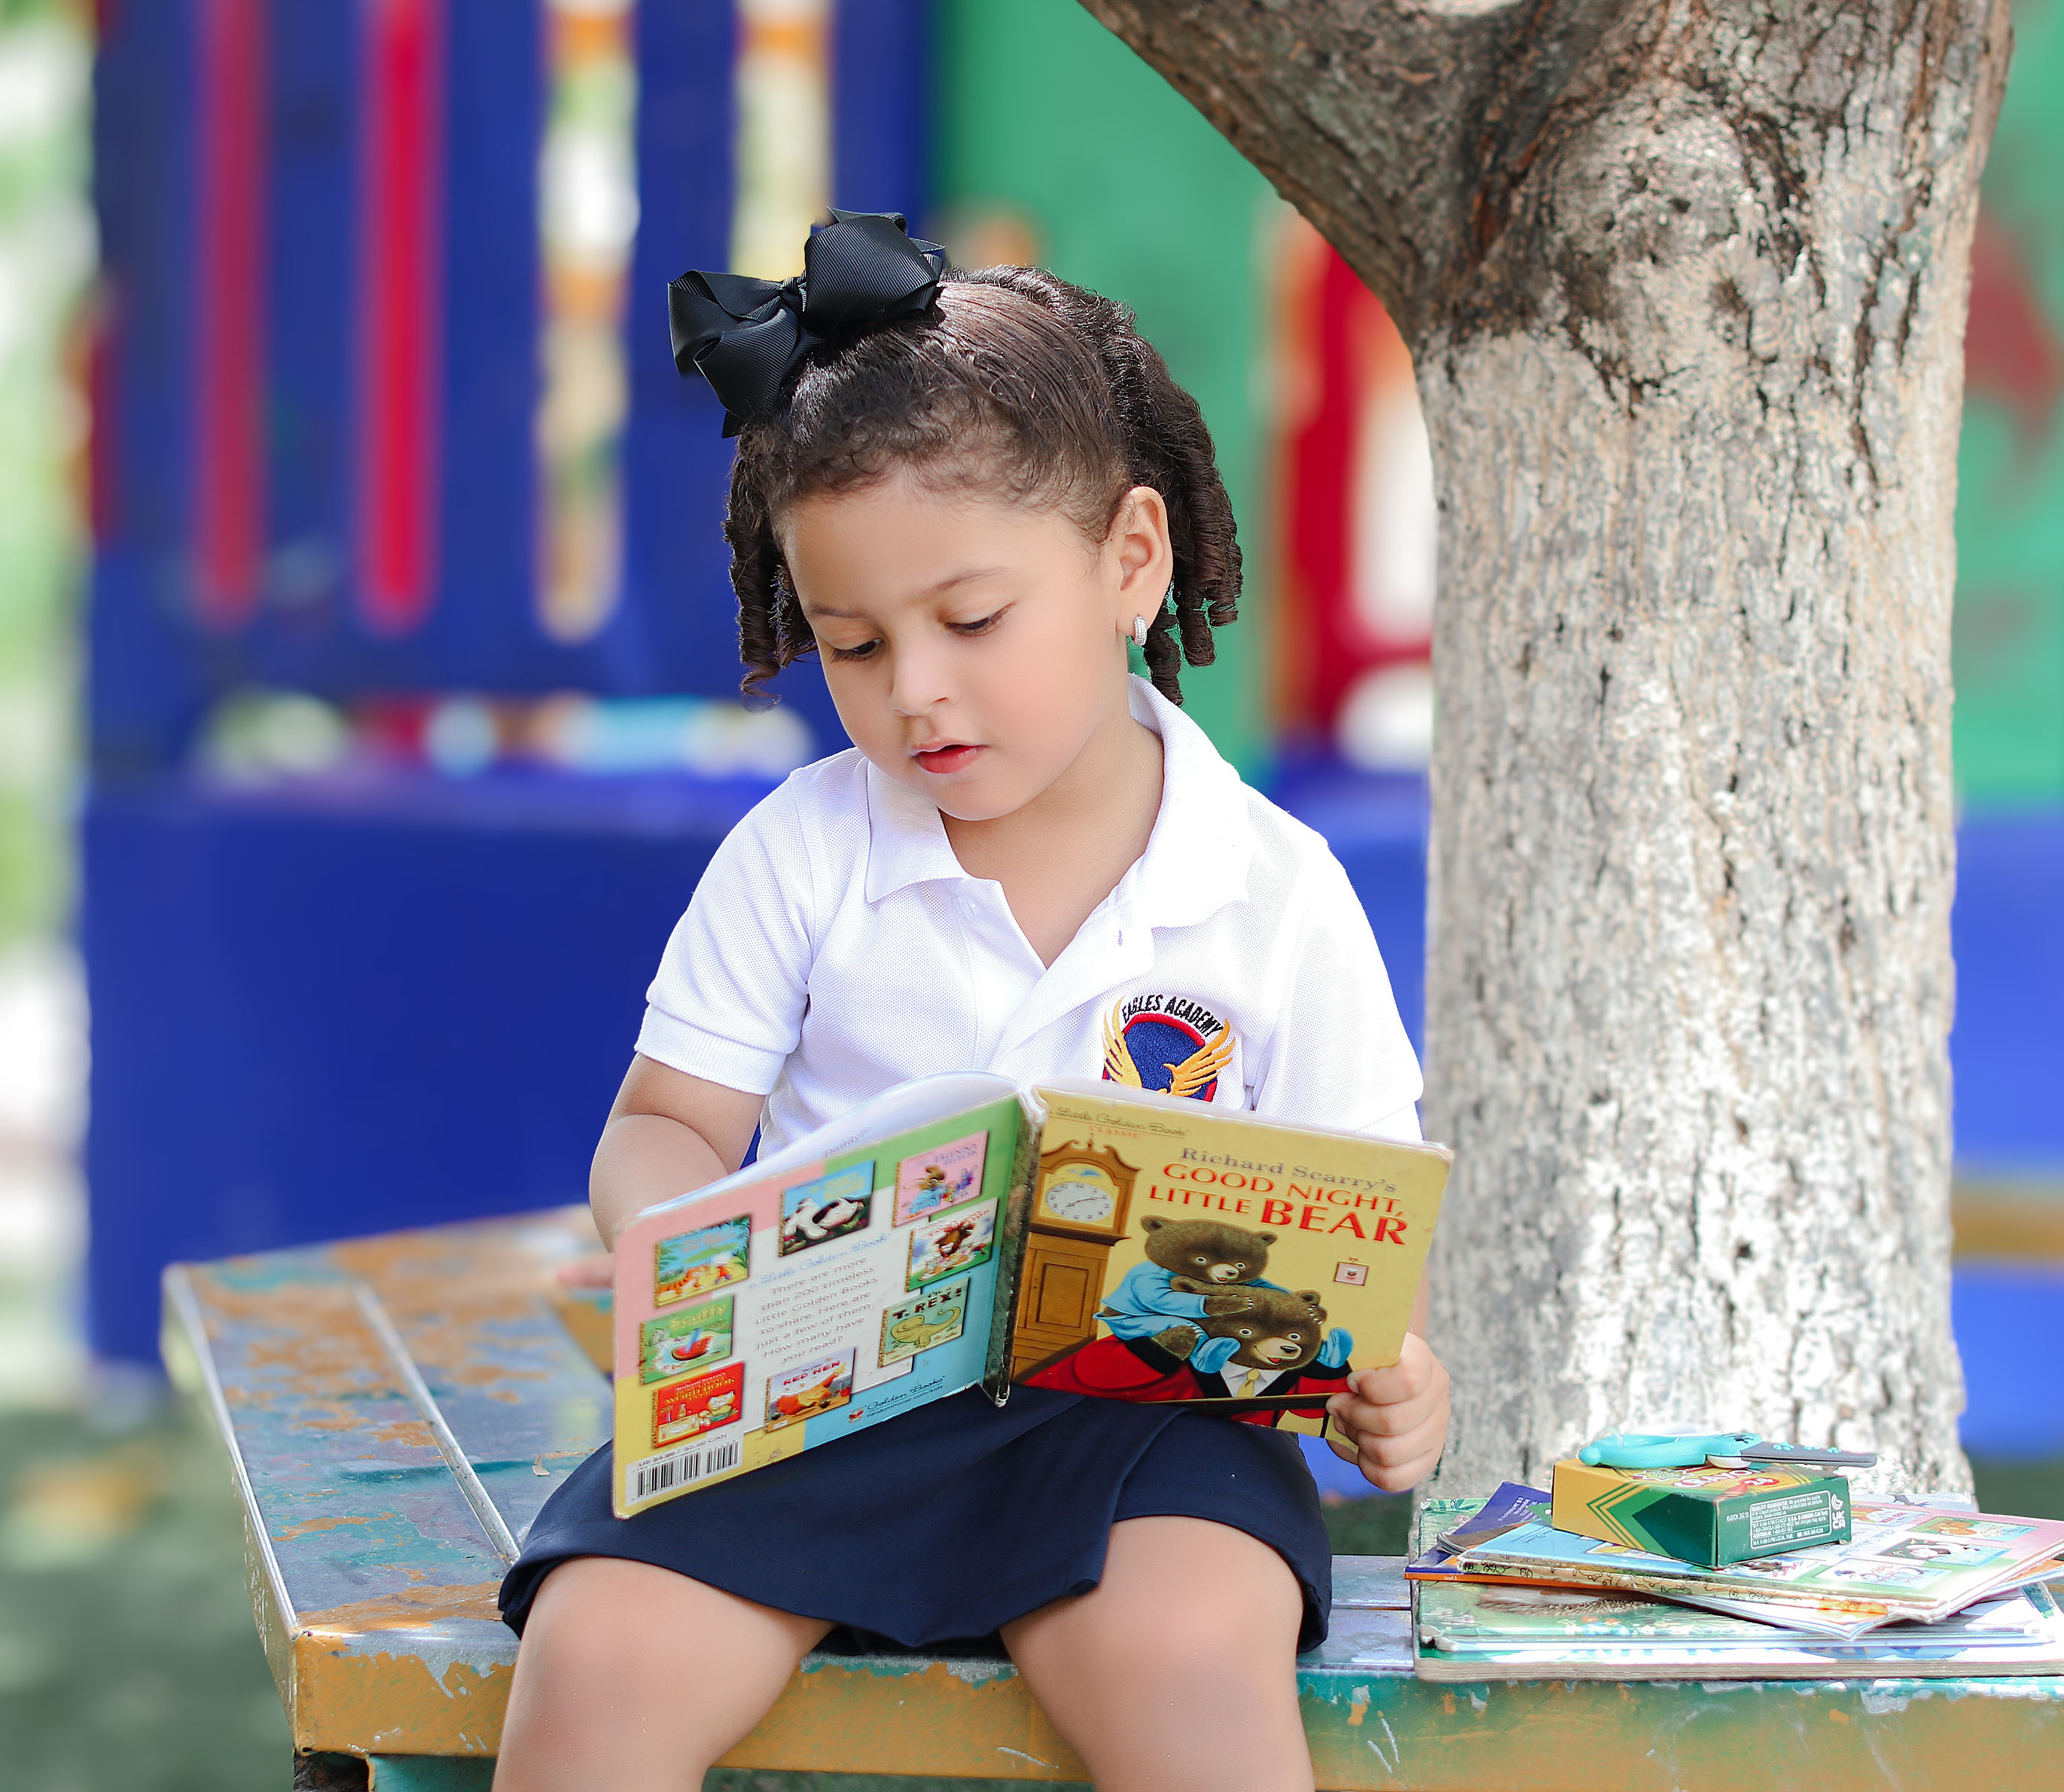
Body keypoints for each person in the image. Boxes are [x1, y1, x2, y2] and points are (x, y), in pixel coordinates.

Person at [491, 213, 1448, 1792]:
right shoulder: (804, 852)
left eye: (972, 623)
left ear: (1130, 560)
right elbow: (665, 1126)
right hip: (814, 1408)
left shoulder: (1270, 890)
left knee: (1187, 1669)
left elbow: (1356, 1224)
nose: (914, 689)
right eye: (853, 647)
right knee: (599, 1658)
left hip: (1144, 1440)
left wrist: (1393, 1376)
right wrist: (677, 1245)